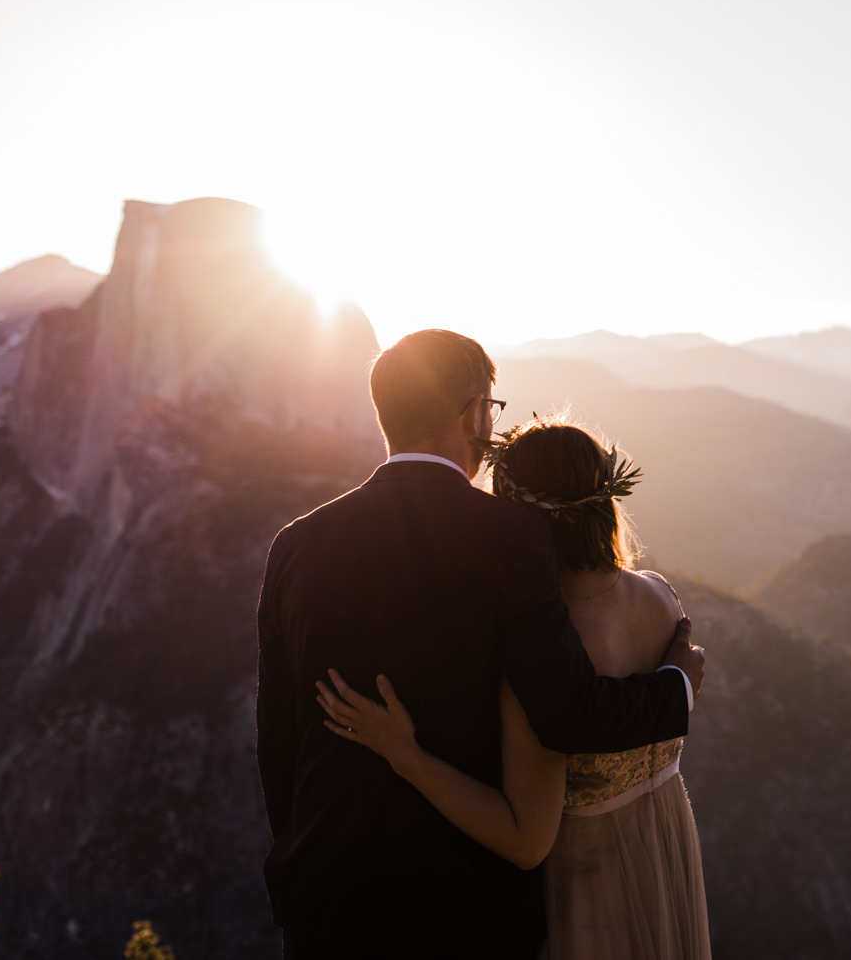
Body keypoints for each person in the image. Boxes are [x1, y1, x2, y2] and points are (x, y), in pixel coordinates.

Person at [256, 330, 706, 960]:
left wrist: (303, 857)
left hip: (325, 905)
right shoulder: (512, 538)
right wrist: (678, 684)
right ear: (473, 413)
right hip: (461, 910)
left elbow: (279, 742)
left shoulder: (295, 545)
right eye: (491, 411)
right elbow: (567, 712)